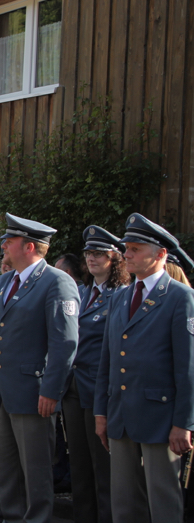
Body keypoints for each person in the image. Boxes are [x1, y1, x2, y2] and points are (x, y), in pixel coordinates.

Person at [0, 213, 79, 523]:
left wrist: (52, 390)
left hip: (34, 393)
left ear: (30, 246)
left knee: (35, 470)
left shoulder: (57, 282)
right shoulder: (5, 280)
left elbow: (65, 344)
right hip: (0, 392)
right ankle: (11, 516)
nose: (3, 245)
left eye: (10, 241)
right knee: (6, 468)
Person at [94, 213, 194, 522]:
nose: (127, 255)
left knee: (163, 501)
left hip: (160, 418)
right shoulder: (121, 296)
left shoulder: (180, 298)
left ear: (161, 254)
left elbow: (188, 366)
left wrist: (185, 422)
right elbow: (107, 360)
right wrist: (101, 412)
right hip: (121, 413)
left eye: (136, 248)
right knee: (124, 502)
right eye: (127, 248)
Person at [61, 225, 128, 523]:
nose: (92, 258)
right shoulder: (82, 292)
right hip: (74, 389)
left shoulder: (121, 295)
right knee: (80, 466)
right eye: (89, 253)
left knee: (104, 469)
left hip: (100, 391)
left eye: (99, 253)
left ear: (115, 258)